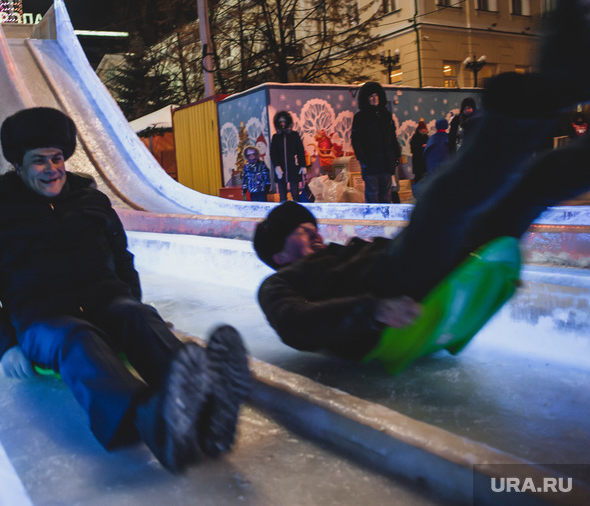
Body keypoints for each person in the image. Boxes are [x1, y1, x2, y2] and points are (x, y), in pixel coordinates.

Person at [251, 0, 590, 359]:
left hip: (429, 268)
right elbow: (294, 323)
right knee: (439, 204)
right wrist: (373, 309)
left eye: (310, 227)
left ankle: (556, 104)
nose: (315, 233)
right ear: (277, 253)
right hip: (393, 285)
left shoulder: (331, 258)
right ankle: (539, 97)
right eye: (302, 232)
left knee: (532, 186)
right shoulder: (279, 284)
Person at [0, 107, 251, 473]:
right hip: (41, 320)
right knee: (77, 338)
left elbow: (122, 260)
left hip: (105, 302)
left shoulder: (90, 201)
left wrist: (134, 303)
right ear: (18, 165)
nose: (52, 169)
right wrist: (4, 345)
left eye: (57, 158)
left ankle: (206, 412)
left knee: (136, 317)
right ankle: (151, 423)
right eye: (39, 161)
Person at [350, 82, 401, 203]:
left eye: (376, 95)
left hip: (386, 163)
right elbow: (356, 140)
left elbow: (392, 137)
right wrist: (363, 159)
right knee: (373, 194)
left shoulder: (386, 115)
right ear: (366, 99)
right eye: (371, 96)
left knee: (386, 195)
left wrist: (396, 155)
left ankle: (386, 221)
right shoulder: (360, 117)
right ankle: (374, 220)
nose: (374, 99)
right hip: (371, 163)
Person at [270, 111, 306, 202]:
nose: (282, 123)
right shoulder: (276, 137)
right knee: (282, 196)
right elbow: (273, 153)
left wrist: (303, 165)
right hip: (280, 170)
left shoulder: (294, 135)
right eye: (280, 122)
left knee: (295, 194)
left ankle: (297, 212)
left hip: (293, 168)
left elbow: (300, 151)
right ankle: (283, 213)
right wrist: (277, 166)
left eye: (284, 121)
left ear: (287, 122)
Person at [409, 120, 428, 191]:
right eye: (423, 130)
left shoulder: (426, 136)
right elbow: (413, 148)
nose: (424, 131)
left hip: (424, 159)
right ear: (419, 130)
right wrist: (421, 146)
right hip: (417, 159)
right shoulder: (415, 137)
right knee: (418, 176)